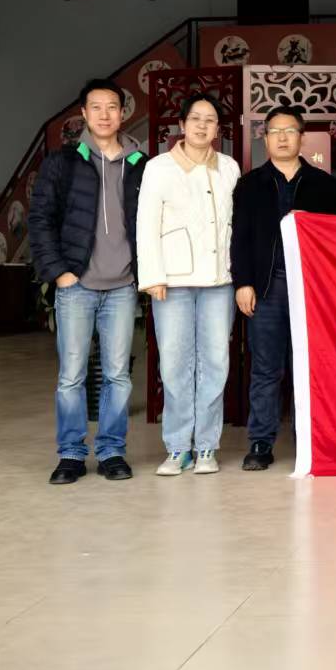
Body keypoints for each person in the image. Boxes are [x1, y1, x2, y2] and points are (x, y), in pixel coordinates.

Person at [29, 77, 147, 485]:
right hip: (76, 284)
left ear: (122, 113)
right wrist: (58, 272)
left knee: (117, 375)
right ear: (83, 113)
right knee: (72, 376)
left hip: (122, 286)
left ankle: (112, 451)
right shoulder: (62, 162)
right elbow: (40, 220)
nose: (104, 114)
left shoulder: (140, 164)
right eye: (96, 107)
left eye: (112, 106)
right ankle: (71, 454)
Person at [137, 94, 241, 477]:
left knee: (216, 362)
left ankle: (207, 446)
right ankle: (178, 447)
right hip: (173, 282)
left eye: (209, 120)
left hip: (219, 280)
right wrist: (152, 276)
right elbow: (146, 223)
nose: (202, 125)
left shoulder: (228, 167)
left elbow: (235, 224)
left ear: (217, 129)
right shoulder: (159, 168)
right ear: (182, 125)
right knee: (175, 364)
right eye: (195, 118)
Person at [231, 103, 336, 472]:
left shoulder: (325, 185)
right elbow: (240, 238)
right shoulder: (249, 184)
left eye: (289, 131)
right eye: (274, 131)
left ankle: (309, 437)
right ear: (265, 138)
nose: (282, 138)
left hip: (313, 288)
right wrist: (243, 282)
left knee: (310, 365)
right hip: (267, 286)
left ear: (302, 138)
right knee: (266, 367)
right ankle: (261, 441)